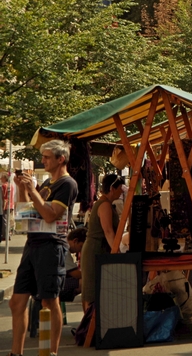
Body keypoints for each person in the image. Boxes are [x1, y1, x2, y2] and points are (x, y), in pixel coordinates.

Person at [10, 140, 78, 356]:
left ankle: (51, 352)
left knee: (49, 300)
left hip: (51, 245)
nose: (43, 160)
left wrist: (33, 190)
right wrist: (23, 189)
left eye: (47, 157)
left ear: (61, 159)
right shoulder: (48, 183)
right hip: (33, 244)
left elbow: (50, 215)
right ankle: (16, 352)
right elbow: (25, 214)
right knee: (16, 301)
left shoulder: (67, 184)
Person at [81, 174, 124, 311]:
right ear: (112, 188)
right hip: (95, 249)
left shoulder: (106, 204)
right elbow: (108, 231)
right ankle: (89, 322)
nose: (121, 191)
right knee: (92, 290)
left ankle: (92, 321)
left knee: (96, 288)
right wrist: (117, 253)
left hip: (100, 249)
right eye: (120, 188)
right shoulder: (104, 205)